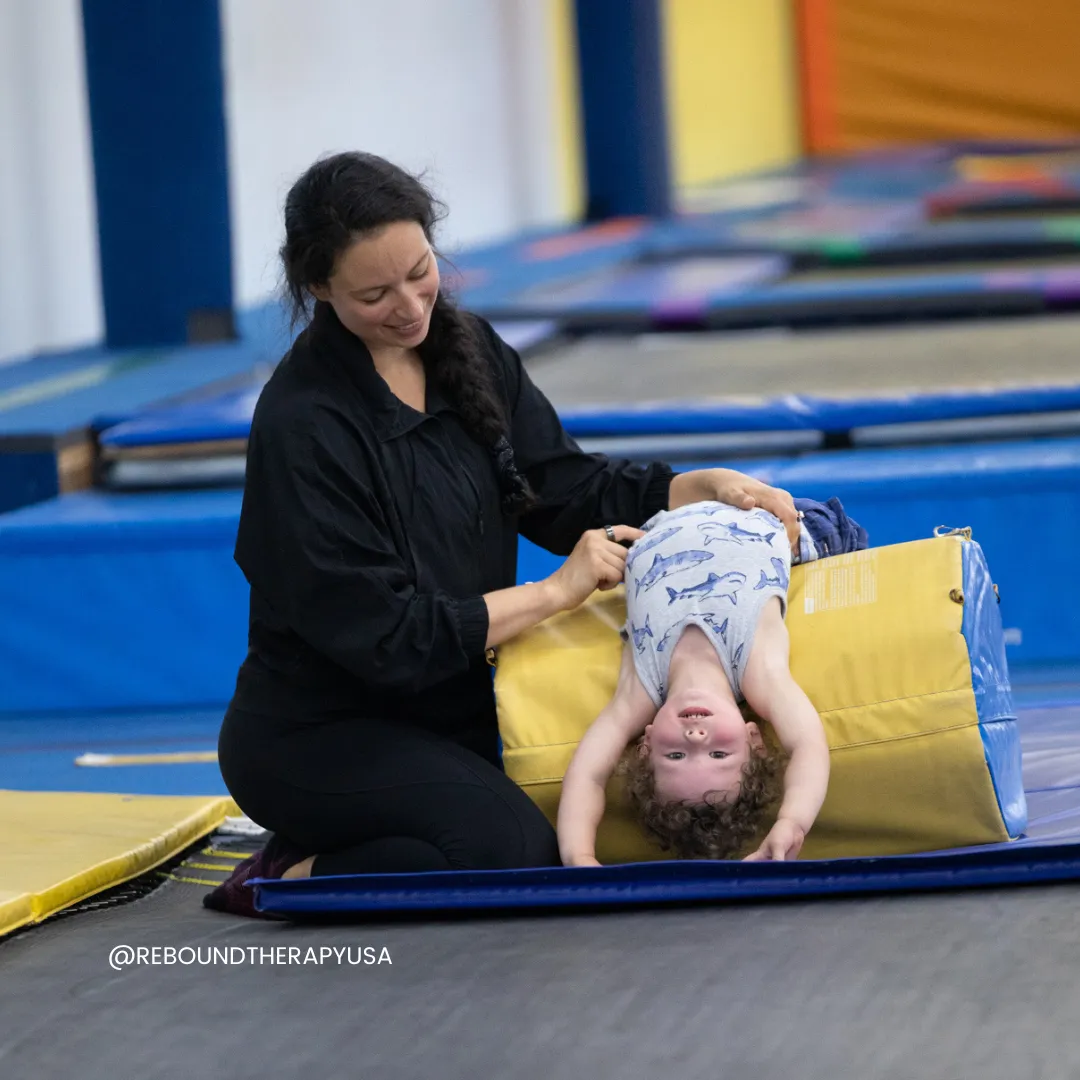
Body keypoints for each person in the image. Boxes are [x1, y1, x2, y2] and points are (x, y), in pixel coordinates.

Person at [205, 151, 799, 917]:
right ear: (318, 289)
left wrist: (698, 487)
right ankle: (283, 873)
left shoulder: (467, 349)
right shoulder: (303, 425)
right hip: (318, 734)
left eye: (421, 271)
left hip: (451, 710)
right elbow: (389, 638)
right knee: (506, 852)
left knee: (593, 800)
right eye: (374, 294)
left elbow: (564, 489)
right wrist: (554, 593)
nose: (411, 307)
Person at [557, 500, 834, 867]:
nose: (696, 739)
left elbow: (588, 775)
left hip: (664, 518)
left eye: (675, 756)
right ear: (753, 739)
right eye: (720, 755)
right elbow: (807, 745)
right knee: (827, 529)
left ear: (647, 744)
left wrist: (579, 857)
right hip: (781, 519)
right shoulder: (757, 673)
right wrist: (792, 822)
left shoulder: (640, 689)